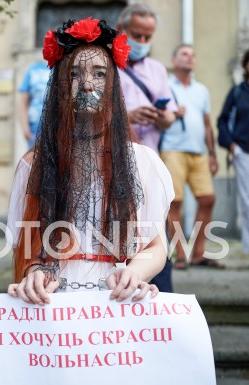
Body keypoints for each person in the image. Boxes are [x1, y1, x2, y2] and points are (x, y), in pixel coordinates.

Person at [7, 17, 174, 385]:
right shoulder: (33, 165)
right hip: (53, 321)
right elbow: (25, 253)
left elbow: (156, 246)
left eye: (100, 73)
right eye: (75, 74)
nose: (87, 84)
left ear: (115, 83)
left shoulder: (143, 163)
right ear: (59, 85)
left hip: (120, 314)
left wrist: (136, 271)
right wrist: (35, 272)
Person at [116, 2, 177, 291]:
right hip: (112, 166)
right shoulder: (105, 64)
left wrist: (162, 116)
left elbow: (170, 118)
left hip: (148, 168)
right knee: (119, 242)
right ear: (121, 30)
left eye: (147, 37)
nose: (141, 42)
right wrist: (127, 116)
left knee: (156, 240)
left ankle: (161, 307)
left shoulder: (156, 69)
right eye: (136, 35)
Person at [160, 44, 223, 269]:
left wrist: (213, 154)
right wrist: (171, 113)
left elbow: (207, 124)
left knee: (208, 199)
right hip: (172, 149)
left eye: (193, 54)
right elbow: (155, 114)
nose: (190, 58)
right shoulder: (165, 85)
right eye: (184, 54)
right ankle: (179, 255)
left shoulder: (202, 90)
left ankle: (198, 253)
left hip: (199, 153)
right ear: (174, 60)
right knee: (174, 203)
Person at [217, 49, 249, 254]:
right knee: (248, 201)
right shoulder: (237, 92)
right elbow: (222, 121)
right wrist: (232, 146)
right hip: (243, 153)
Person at [17, 61, 50, 148]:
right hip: (35, 127)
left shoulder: (61, 66)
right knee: (35, 159)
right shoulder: (32, 70)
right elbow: (23, 102)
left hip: (57, 124)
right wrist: (25, 128)